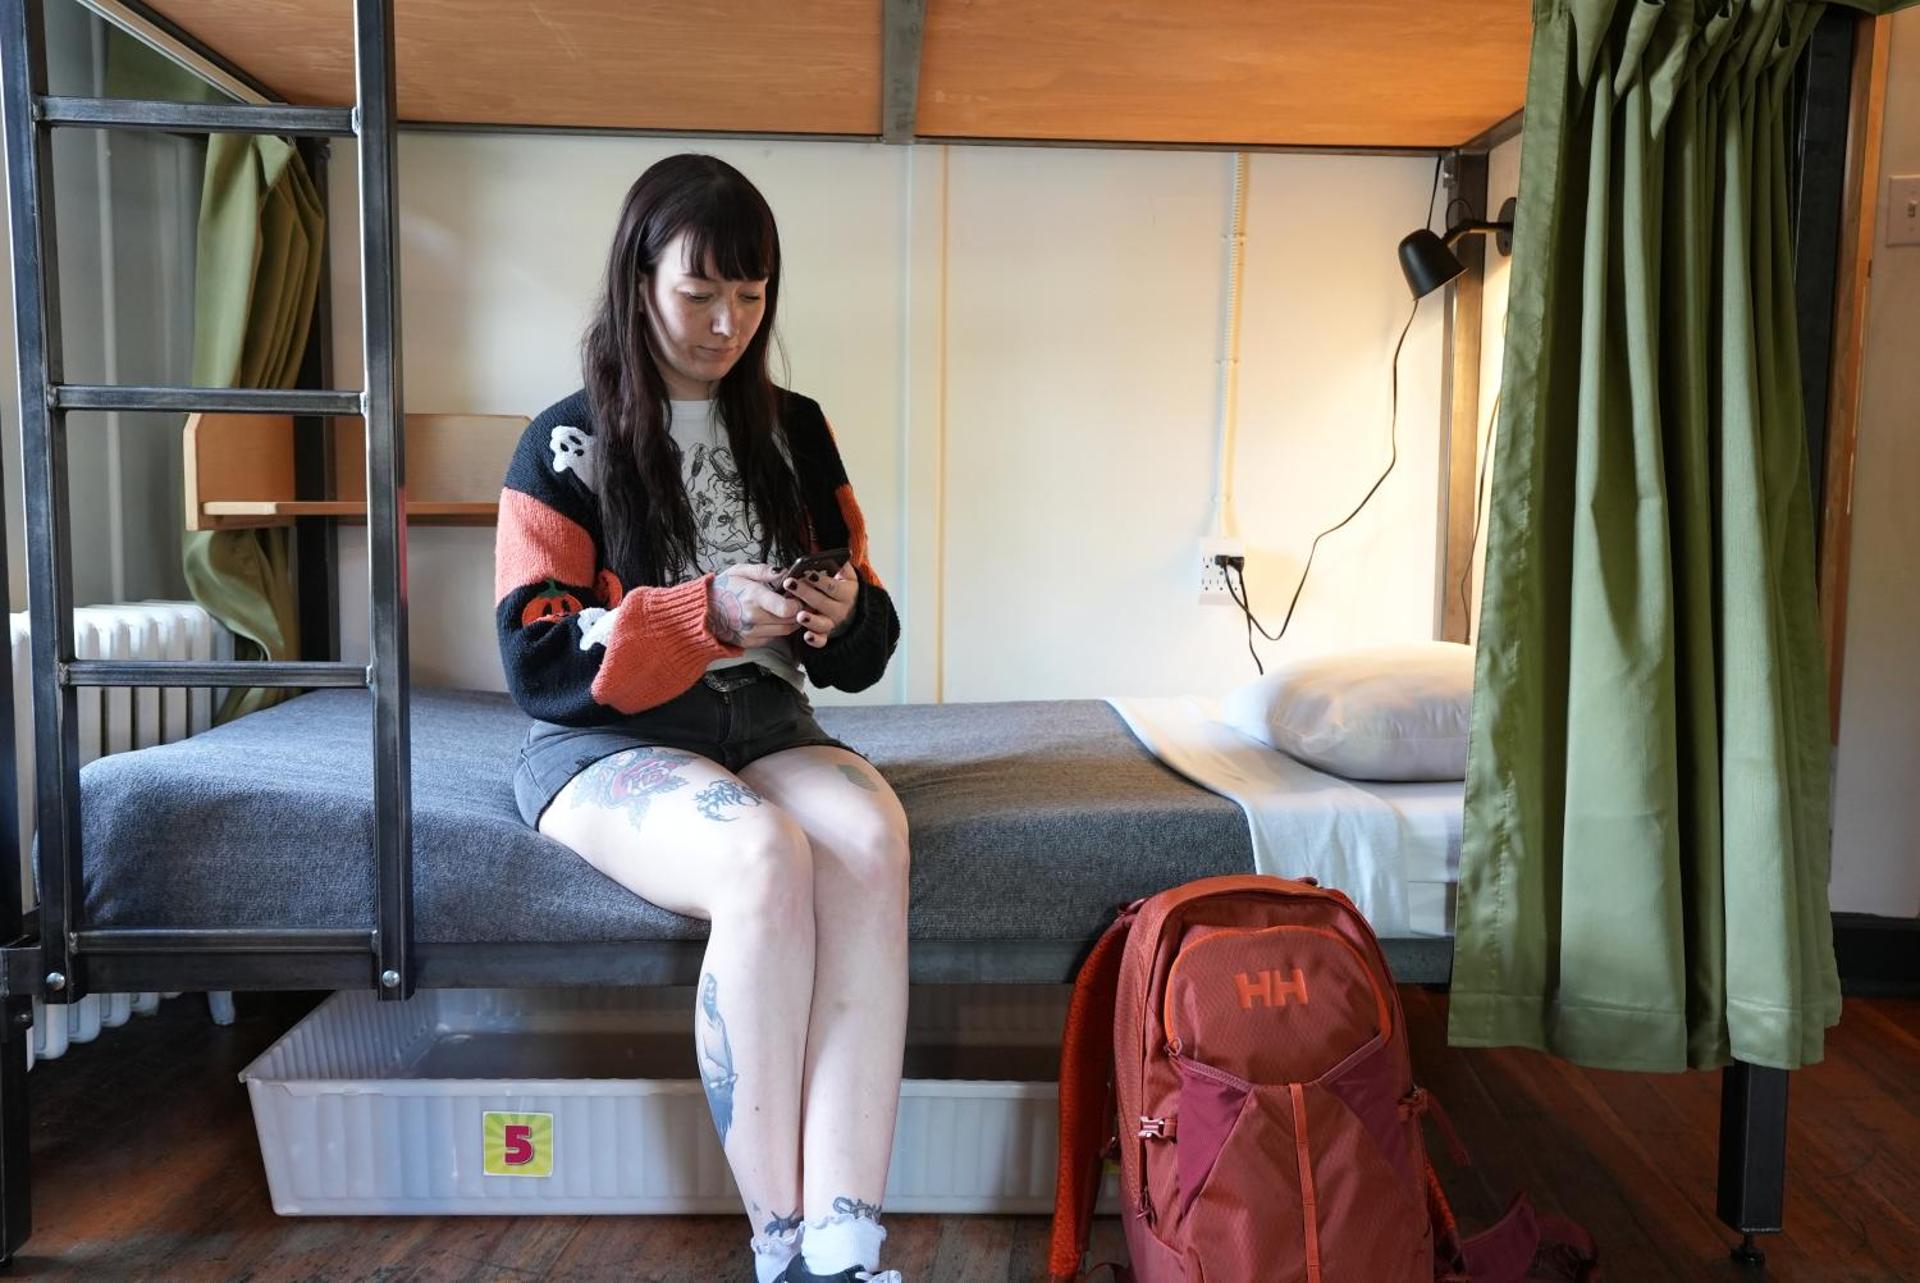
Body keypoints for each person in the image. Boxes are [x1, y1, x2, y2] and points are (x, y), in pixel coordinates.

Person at [495, 153, 908, 1283]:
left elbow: (867, 644)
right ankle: (782, 1246)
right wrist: (703, 612)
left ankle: (847, 1240)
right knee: (763, 853)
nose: (728, 323)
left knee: (873, 839)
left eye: (752, 294)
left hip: (764, 720)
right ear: (639, 282)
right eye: (699, 292)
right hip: (603, 743)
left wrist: (842, 611)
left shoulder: (797, 431)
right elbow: (536, 654)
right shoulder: (566, 442)